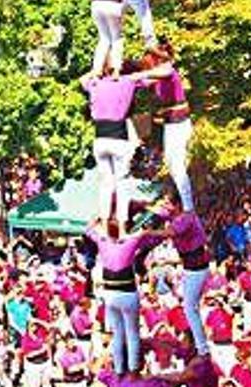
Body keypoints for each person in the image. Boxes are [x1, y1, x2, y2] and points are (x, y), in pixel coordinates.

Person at [85, 217, 159, 374]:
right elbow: (149, 235)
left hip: (111, 295)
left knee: (117, 334)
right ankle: (133, 369)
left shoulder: (102, 241)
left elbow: (88, 229)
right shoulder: (130, 241)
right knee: (132, 333)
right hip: (127, 293)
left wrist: (97, 218)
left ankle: (119, 369)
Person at [80, 70, 147, 229]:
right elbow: (149, 80)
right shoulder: (127, 81)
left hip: (100, 138)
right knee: (122, 184)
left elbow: (82, 80)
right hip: (119, 138)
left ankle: (103, 224)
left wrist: (95, 71)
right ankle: (122, 226)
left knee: (105, 184)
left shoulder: (96, 84)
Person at [133, 41, 195, 212]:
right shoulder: (157, 75)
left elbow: (158, 72)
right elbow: (142, 81)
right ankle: (181, 202)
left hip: (179, 124)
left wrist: (136, 76)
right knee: (172, 164)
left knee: (177, 165)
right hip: (172, 125)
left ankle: (189, 207)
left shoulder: (169, 70)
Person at [154, 188, 212, 356]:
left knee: (189, 307)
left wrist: (145, 233)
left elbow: (168, 233)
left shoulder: (186, 218)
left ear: (177, 205)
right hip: (188, 268)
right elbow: (157, 210)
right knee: (186, 304)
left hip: (197, 268)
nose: (164, 205)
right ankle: (193, 340)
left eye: (167, 202)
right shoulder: (174, 215)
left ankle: (202, 348)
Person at [90, 0, 157, 77]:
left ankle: (97, 69)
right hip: (112, 5)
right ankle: (116, 70)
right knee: (117, 38)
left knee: (104, 38)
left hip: (96, 5)